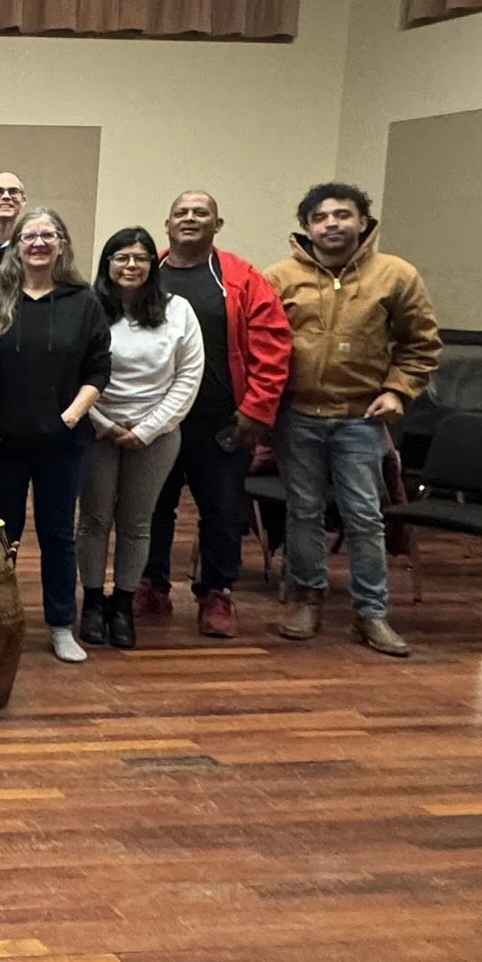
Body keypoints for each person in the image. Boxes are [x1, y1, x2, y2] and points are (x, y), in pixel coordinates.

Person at [265, 182, 442, 656]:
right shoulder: (280, 277)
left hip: (361, 417)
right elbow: (260, 345)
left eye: (342, 215)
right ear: (306, 227)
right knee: (302, 511)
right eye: (320, 217)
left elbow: (421, 345)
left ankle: (372, 613)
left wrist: (397, 392)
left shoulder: (395, 275)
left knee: (364, 517)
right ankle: (307, 598)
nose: (331, 224)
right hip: (296, 416)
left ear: (363, 221)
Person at [139, 191, 292, 637]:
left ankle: (216, 594)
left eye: (200, 213)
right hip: (157, 418)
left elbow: (273, 347)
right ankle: (152, 585)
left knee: (222, 511)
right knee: (151, 508)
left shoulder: (241, 278)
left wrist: (256, 410)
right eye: (181, 213)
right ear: (166, 224)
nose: (190, 218)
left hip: (222, 421)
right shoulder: (147, 273)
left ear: (217, 225)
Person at [0, 206, 111, 663]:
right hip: (2, 439)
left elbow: (98, 369)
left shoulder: (83, 301)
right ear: (16, 246)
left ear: (62, 244)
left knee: (58, 534)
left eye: (47, 235)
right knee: (0, 534)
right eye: (29, 235)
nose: (38, 243)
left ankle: (59, 624)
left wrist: (70, 418)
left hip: (62, 440)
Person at [76, 227, 204, 651]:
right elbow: (71, 373)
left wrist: (148, 429)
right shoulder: (88, 306)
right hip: (96, 429)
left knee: (136, 522)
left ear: (153, 265)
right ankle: (93, 603)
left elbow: (187, 378)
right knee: (94, 519)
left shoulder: (178, 310)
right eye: (121, 257)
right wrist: (101, 422)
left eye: (140, 258)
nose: (131, 266)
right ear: (107, 263)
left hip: (157, 434)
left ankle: (123, 605)